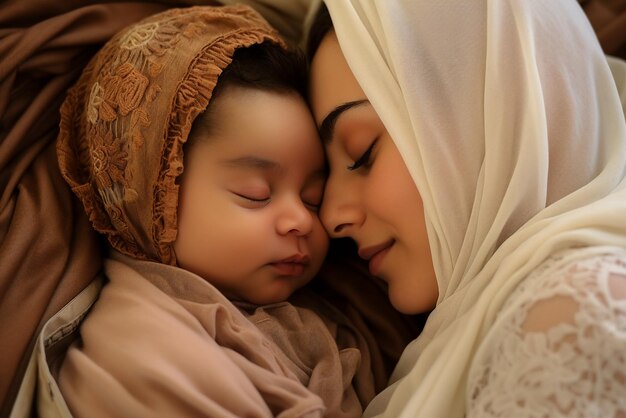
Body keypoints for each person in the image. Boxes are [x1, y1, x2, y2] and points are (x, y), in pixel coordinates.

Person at [55, 5, 381, 417]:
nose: (302, 220)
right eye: (256, 193)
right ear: (155, 193)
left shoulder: (334, 319)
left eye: (313, 198)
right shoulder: (146, 347)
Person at [307, 1, 626, 417]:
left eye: (360, 153)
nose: (331, 216)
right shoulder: (450, 338)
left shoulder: (575, 315)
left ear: (491, 115)